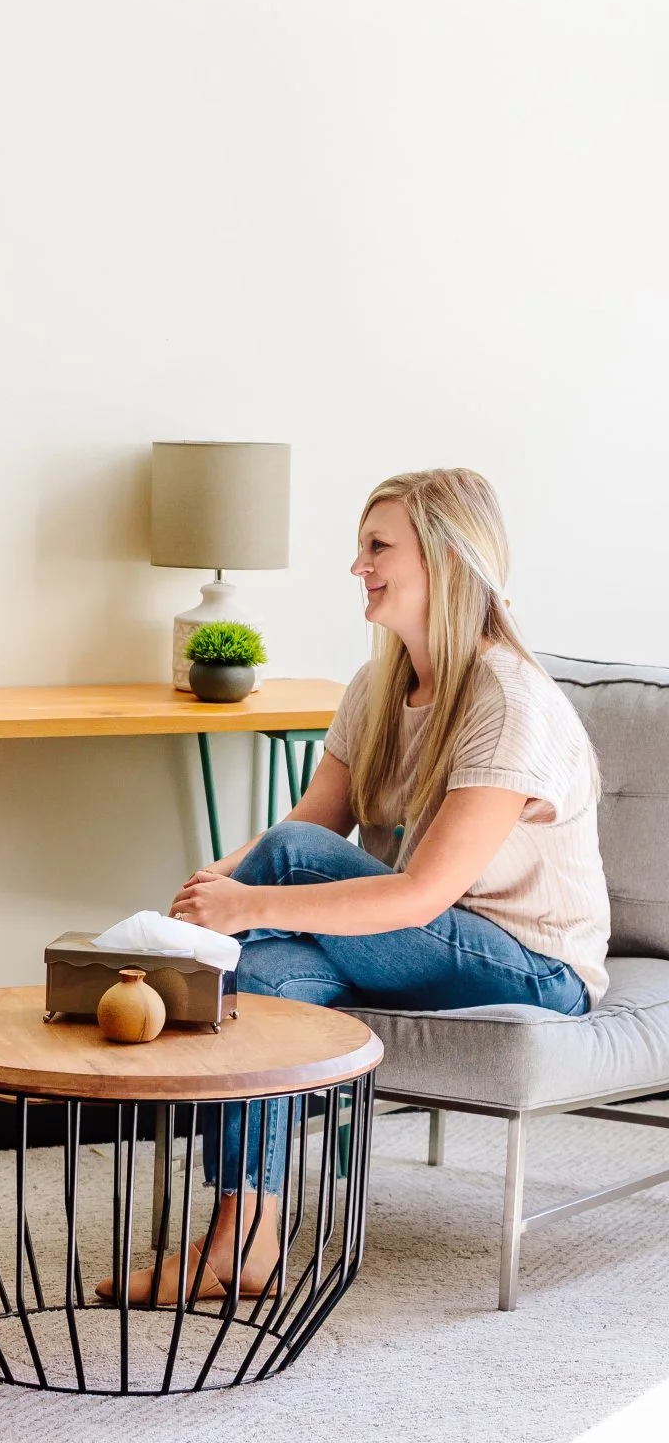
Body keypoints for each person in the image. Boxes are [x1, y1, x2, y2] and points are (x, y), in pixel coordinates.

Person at [103, 467, 610, 1305]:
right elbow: (316, 820)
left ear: (446, 559)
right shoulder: (376, 688)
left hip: (530, 964)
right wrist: (221, 877)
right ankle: (243, 1246)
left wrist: (241, 905)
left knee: (272, 883)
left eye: (378, 547)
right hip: (401, 943)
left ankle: (158, 968)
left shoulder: (510, 700)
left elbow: (419, 895)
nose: (357, 566)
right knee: (260, 979)